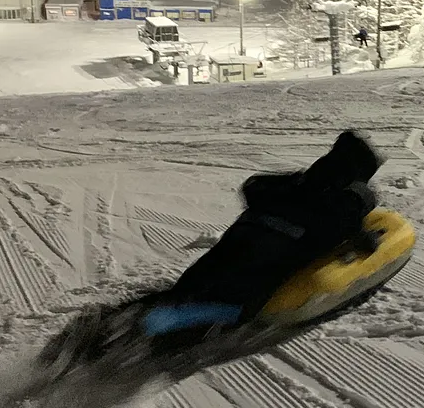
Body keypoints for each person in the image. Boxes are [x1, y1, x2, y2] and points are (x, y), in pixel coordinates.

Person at [40, 131, 384, 369]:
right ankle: (130, 346)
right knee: (220, 311)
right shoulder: (347, 202)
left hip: (227, 254)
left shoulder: (292, 184)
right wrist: (363, 238)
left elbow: (253, 186)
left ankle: (105, 330)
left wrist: (295, 187)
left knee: (185, 294)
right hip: (255, 276)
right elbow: (350, 232)